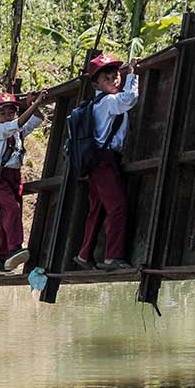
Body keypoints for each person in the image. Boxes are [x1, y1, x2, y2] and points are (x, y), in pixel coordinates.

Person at [74, 54, 139, 271]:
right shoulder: (109, 101)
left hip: (97, 161)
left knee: (98, 207)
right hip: (105, 161)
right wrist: (132, 75)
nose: (113, 79)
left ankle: (84, 254)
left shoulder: (97, 103)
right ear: (96, 84)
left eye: (115, 75)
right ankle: (113, 257)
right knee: (118, 206)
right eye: (106, 78)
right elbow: (130, 99)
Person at [0, 90, 47, 276]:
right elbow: (19, 123)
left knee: (10, 214)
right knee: (11, 210)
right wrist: (35, 103)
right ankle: (14, 248)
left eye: (11, 112)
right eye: (2, 113)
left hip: (15, 176)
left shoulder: (17, 131)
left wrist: (30, 105)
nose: (7, 116)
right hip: (0, 176)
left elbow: (37, 119)